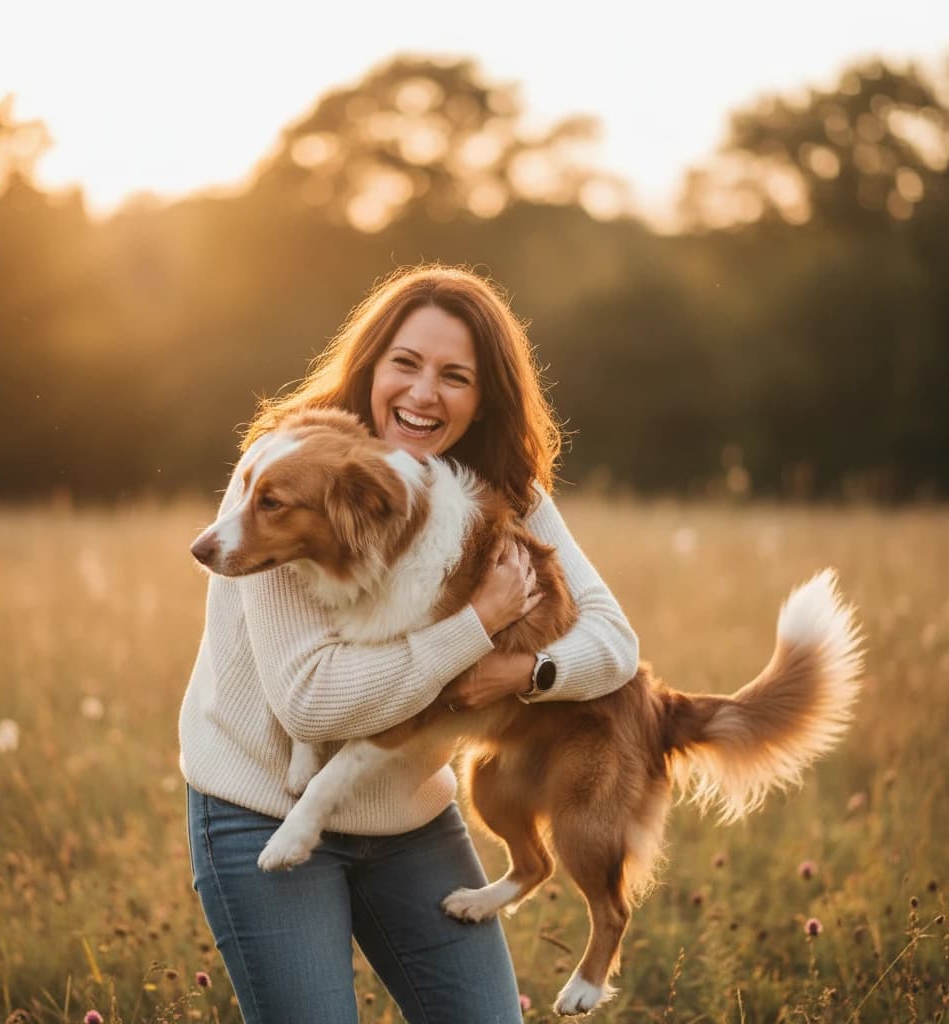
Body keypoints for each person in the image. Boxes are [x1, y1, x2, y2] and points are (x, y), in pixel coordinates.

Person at [179, 265, 639, 1024]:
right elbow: (311, 702)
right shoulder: (293, 472)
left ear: (483, 396)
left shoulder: (504, 487)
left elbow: (616, 644)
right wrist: (475, 627)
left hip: (409, 818)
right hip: (261, 808)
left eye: (454, 376)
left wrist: (523, 670)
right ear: (371, 366)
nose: (424, 394)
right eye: (405, 364)